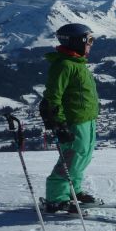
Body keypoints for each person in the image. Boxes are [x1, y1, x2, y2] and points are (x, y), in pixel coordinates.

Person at [39, 23, 99, 213]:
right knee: (72, 158)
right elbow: (53, 96)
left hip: (86, 119)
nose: (91, 44)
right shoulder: (64, 65)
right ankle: (56, 198)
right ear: (76, 42)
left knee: (83, 157)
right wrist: (59, 123)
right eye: (89, 40)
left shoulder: (76, 62)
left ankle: (74, 190)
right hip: (73, 121)